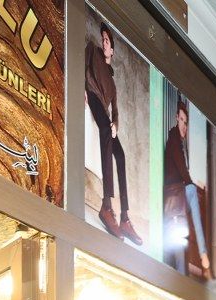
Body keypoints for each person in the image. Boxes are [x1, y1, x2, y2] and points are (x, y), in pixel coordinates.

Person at [84, 24, 141, 246]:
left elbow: (115, 111)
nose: (104, 42)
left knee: (121, 154)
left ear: (112, 51)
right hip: (93, 96)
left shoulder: (114, 85)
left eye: (107, 40)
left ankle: (125, 217)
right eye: (103, 38)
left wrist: (116, 124)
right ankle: (106, 206)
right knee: (106, 131)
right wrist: (82, 88)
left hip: (106, 113)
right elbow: (82, 65)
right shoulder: (92, 50)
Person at [161, 96, 211, 278]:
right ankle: (204, 255)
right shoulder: (174, 139)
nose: (184, 125)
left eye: (186, 122)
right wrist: (191, 184)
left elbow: (183, 172)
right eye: (181, 120)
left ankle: (201, 257)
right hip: (174, 196)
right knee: (192, 192)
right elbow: (182, 171)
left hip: (177, 197)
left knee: (194, 194)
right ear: (176, 118)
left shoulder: (179, 143)